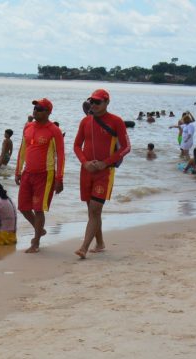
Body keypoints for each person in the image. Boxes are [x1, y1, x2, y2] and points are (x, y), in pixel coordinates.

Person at [73, 89, 131, 259]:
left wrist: (106, 162)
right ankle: (100, 243)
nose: (94, 105)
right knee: (92, 211)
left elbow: (127, 147)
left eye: (98, 102)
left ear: (106, 103)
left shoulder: (116, 121)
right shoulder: (85, 122)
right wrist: (84, 162)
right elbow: (76, 146)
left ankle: (84, 247)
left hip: (105, 172)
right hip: (86, 170)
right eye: (92, 102)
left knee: (95, 209)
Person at [14, 98, 64, 253]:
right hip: (28, 173)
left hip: (45, 174)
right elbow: (22, 150)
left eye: (40, 108)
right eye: (35, 107)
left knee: (38, 209)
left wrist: (59, 179)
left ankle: (35, 243)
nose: (36, 110)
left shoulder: (53, 130)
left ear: (48, 112)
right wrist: (18, 170)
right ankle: (39, 228)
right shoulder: (28, 127)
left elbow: (61, 156)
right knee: (23, 206)